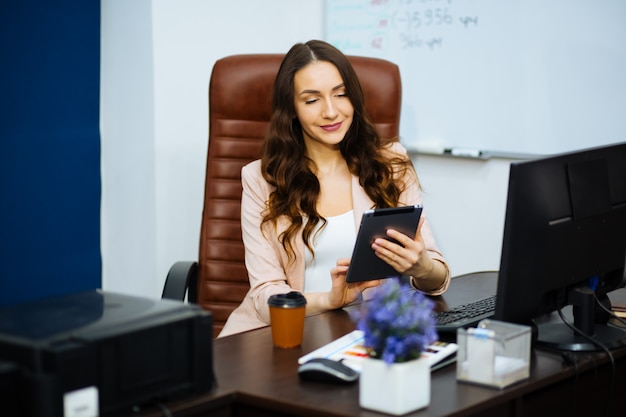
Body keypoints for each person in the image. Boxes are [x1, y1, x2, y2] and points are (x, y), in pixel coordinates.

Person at [218, 40, 450, 337]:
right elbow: (266, 296)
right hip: (285, 336)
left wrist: (421, 266)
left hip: (366, 332)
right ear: (292, 109)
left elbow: (438, 277)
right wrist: (328, 300)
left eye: (340, 94)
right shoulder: (261, 180)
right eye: (312, 100)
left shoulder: (390, 165)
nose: (331, 111)